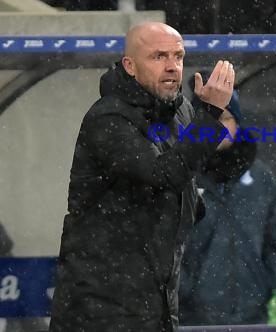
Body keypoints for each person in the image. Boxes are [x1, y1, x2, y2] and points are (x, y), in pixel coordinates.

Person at [49, 22, 235, 332]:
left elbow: (184, 183)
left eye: (178, 56)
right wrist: (211, 114)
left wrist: (203, 114)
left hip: (156, 303)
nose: (173, 67)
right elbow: (164, 174)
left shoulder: (182, 112)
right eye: (159, 56)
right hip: (102, 308)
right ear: (130, 66)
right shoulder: (108, 117)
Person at [178, 87, 276, 325]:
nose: (219, 127)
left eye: (226, 118)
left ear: (238, 123)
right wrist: (185, 292)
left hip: (253, 316)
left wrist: (271, 287)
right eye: (212, 119)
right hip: (193, 319)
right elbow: (170, 242)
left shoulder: (262, 179)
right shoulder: (181, 174)